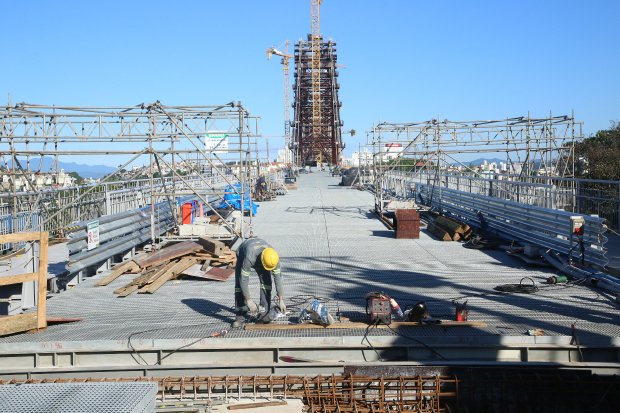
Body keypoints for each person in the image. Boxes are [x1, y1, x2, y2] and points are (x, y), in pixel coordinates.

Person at [233, 237, 285, 328]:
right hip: (243, 252)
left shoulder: (273, 257)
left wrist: (281, 299)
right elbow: (243, 280)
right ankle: (240, 317)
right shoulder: (249, 257)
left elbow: (278, 278)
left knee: (267, 284)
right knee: (239, 286)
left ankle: (263, 314)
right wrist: (249, 300)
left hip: (261, 258)